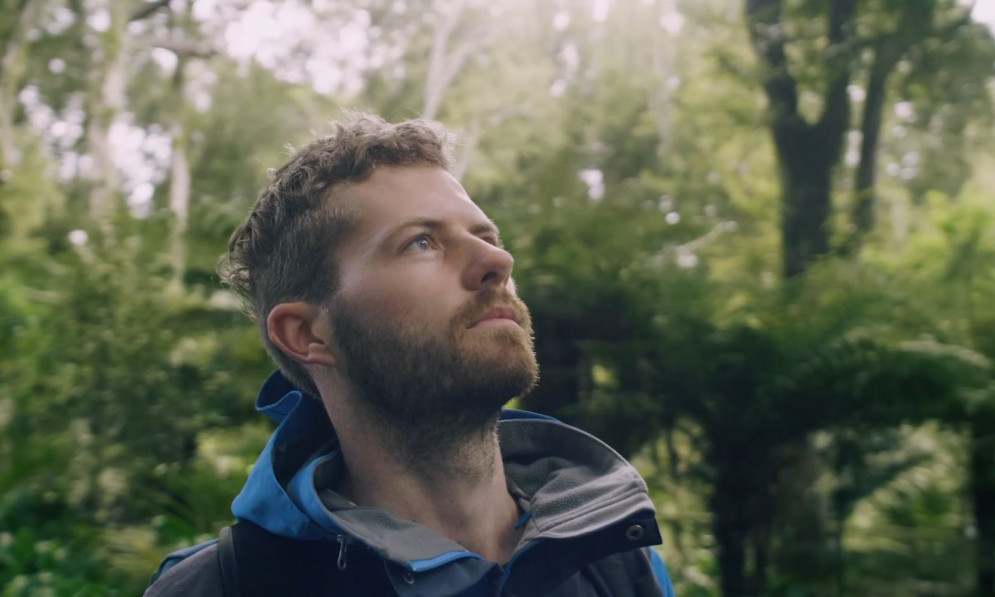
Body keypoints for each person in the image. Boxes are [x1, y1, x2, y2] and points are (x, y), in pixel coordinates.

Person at [145, 113, 676, 597]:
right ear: (307, 334)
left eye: (485, 236)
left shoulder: (616, 555)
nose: (498, 258)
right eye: (421, 242)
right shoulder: (220, 589)